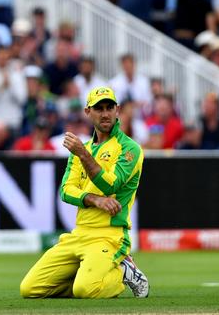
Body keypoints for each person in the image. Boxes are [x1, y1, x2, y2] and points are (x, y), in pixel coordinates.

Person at [20, 86, 149, 299]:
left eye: (109, 107)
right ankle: (89, 275)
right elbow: (65, 191)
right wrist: (93, 199)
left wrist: (83, 154)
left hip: (109, 235)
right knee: (30, 289)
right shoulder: (83, 148)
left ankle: (122, 272)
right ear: (88, 112)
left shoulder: (130, 148)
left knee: (85, 290)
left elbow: (112, 185)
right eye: (99, 109)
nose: (105, 113)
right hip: (79, 233)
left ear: (117, 110)